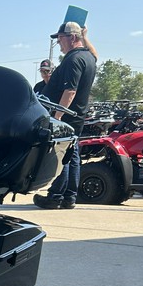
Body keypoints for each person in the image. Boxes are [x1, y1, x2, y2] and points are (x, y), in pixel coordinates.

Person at [33, 21, 97, 210]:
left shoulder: (73, 60)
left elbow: (70, 90)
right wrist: (86, 37)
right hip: (77, 115)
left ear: (72, 38)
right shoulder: (88, 57)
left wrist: (58, 117)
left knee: (62, 155)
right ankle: (70, 196)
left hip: (67, 115)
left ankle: (56, 196)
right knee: (73, 154)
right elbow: (96, 54)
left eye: (61, 38)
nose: (59, 43)